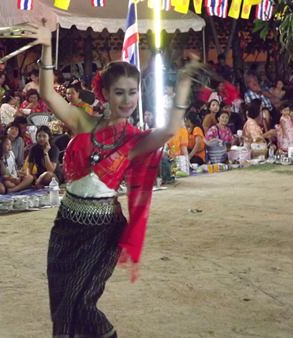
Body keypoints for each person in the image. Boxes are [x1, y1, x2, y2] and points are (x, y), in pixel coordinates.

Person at [28, 24, 195, 338]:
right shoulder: (82, 121)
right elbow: (48, 93)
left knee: (79, 302)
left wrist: (183, 85)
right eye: (120, 92)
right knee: (61, 303)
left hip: (103, 230)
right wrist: (47, 48)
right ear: (104, 93)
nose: (128, 99)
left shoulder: (135, 141)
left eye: (133, 92)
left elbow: (170, 131)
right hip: (66, 224)